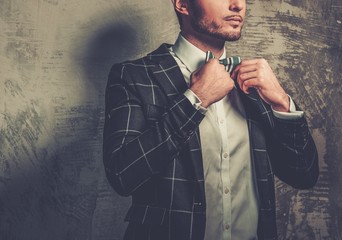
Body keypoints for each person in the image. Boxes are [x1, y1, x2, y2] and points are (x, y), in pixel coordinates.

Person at [103, 0, 319, 239]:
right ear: (183, 4)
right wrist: (195, 99)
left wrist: (282, 102)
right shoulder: (133, 76)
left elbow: (304, 175)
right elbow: (122, 176)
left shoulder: (256, 84)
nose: (238, 5)